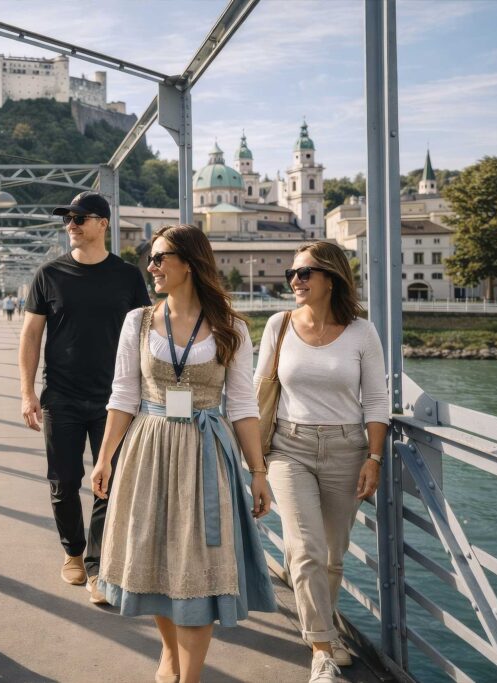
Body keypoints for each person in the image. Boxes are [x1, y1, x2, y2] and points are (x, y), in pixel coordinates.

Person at [91, 225, 276, 683]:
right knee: (156, 561)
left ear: (188, 263)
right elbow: (123, 395)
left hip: (206, 451)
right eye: (150, 259)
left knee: (198, 566)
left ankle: (188, 675)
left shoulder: (230, 327)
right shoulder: (137, 322)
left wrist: (257, 471)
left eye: (158, 259)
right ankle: (170, 653)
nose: (150, 267)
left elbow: (244, 406)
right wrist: (104, 457)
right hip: (149, 447)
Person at [254, 241, 389, 683]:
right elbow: (257, 393)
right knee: (307, 550)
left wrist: (374, 456)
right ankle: (322, 650)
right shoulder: (279, 324)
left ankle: (324, 634)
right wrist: (254, 462)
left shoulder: (362, 332)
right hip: (289, 447)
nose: (295, 279)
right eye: (292, 272)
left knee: (331, 556)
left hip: (348, 450)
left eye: (306, 272)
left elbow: (375, 400)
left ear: (332, 277)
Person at [19, 191, 151, 602]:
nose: (71, 225)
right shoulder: (49, 275)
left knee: (108, 480)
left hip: (116, 398)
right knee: (63, 481)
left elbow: (148, 334)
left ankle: (97, 566)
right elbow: (30, 336)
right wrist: (27, 392)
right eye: (68, 219)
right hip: (61, 396)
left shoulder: (128, 277)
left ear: (103, 224)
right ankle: (73, 552)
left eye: (80, 218)